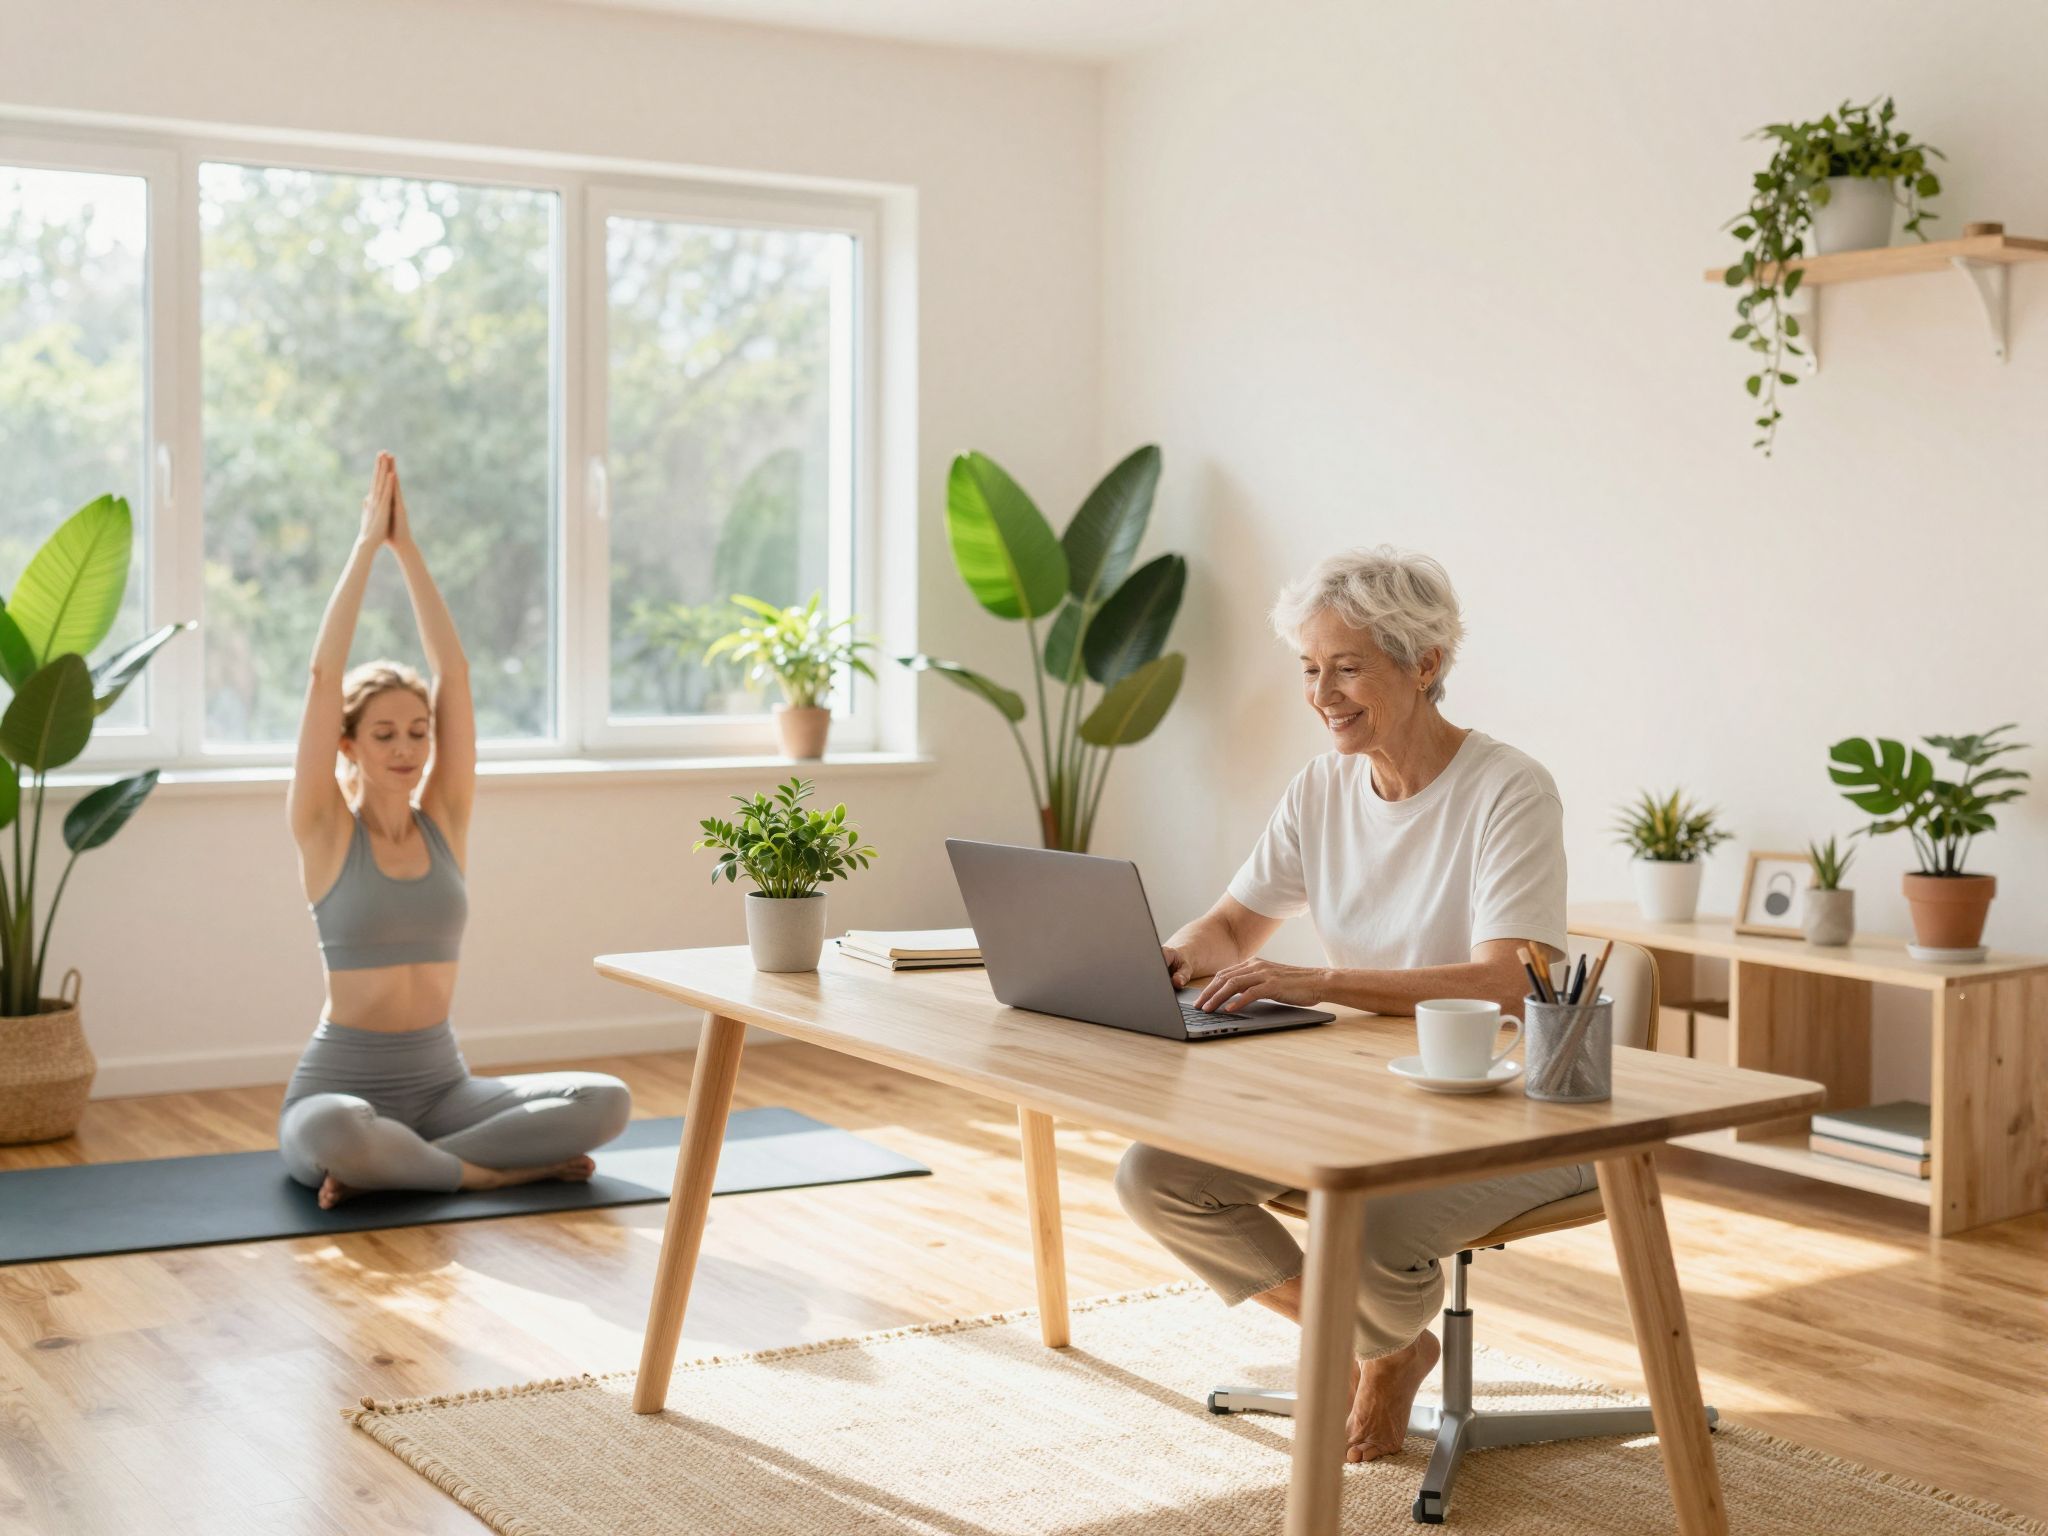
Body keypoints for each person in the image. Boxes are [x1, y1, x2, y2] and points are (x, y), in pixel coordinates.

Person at [1113, 544, 1581, 1465]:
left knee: (1368, 1227)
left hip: (1506, 1113)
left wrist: (1317, 983)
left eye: (1348, 668)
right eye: (1310, 669)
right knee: (1155, 1176)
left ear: (1425, 664)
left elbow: (1510, 982)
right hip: (1359, 1098)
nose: (1322, 693)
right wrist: (1177, 954)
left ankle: (1375, 1338)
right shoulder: (1323, 787)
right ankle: (1389, 1346)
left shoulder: (1509, 789)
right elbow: (1234, 925)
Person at [278, 452, 630, 1208]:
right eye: (384, 735)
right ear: (349, 745)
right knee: (338, 1129)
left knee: (606, 1100)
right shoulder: (324, 829)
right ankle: (488, 1173)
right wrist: (367, 547)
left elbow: (456, 676)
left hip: (444, 1089)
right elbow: (321, 679)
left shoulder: (445, 820)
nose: (406, 749)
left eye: (417, 732)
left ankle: (400, 1166)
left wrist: (409, 549)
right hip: (341, 1086)